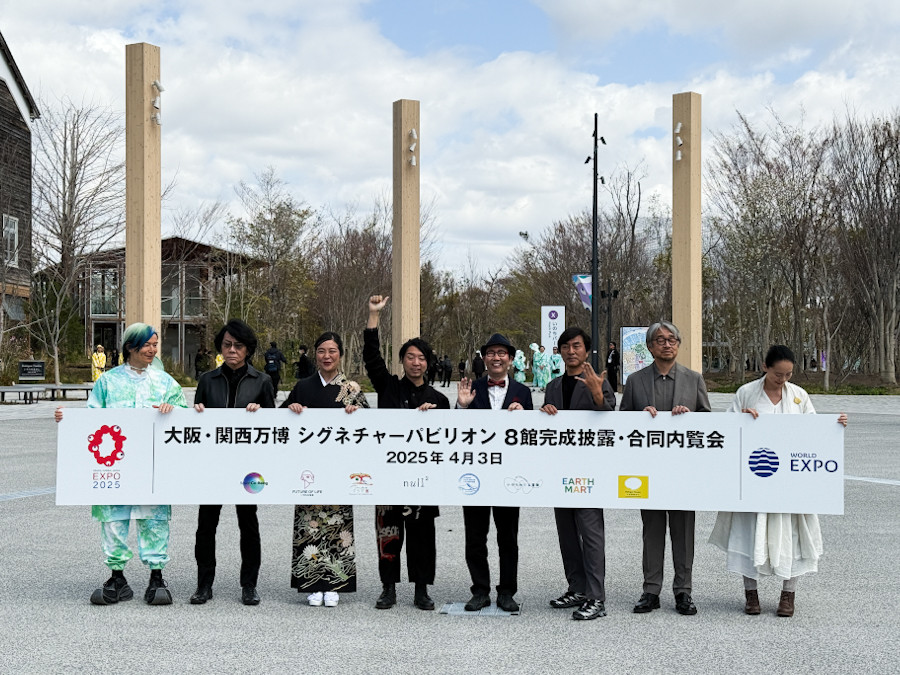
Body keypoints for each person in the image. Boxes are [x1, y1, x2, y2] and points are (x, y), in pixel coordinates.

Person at [709, 345, 848, 617]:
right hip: (755, 478)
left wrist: (836, 424)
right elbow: (726, 432)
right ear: (765, 367)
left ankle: (788, 594)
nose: (783, 380)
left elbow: (814, 430)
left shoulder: (799, 395)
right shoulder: (747, 393)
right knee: (750, 532)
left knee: (793, 535)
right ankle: (751, 595)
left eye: (788, 375)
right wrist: (741, 420)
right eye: (778, 374)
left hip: (789, 482)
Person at [55, 323, 187, 606]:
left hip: (152, 468)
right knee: (113, 520)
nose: (152, 350)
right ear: (131, 347)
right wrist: (68, 421)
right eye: (147, 345)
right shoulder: (108, 382)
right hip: (114, 468)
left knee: (154, 521)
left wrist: (173, 411)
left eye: (155, 344)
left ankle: (156, 576)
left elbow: (185, 421)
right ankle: (117, 576)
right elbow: (92, 418)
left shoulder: (165, 383)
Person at [363, 295, 449, 611]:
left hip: (423, 480)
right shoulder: (389, 388)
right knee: (388, 534)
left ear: (428, 362)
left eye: (421, 358)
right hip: (388, 478)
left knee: (422, 537)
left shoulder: (439, 398)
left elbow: (447, 441)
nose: (416, 362)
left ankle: (422, 590)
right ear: (403, 361)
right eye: (410, 357)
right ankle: (388, 588)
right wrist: (374, 316)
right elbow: (372, 357)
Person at [619, 321, 711, 616]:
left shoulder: (694, 379)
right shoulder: (635, 381)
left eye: (672, 339)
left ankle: (683, 591)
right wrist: (639, 418)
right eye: (660, 340)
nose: (667, 344)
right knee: (652, 531)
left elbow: (709, 427)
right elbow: (622, 426)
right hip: (647, 471)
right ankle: (651, 590)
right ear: (649, 346)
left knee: (684, 532)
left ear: (679, 344)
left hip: (684, 472)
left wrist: (690, 420)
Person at [190, 320, 276, 607]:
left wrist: (260, 412)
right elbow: (195, 424)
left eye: (238, 346)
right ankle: (204, 584)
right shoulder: (207, 380)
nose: (232, 350)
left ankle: (249, 585)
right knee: (206, 526)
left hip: (247, 467)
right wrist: (197, 411)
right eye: (227, 345)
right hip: (212, 466)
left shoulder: (262, 381)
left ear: (248, 349)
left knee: (248, 525)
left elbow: (273, 427)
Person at [282, 331, 369, 607]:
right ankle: (311, 581)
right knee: (309, 525)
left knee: (337, 525)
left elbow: (370, 428)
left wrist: (358, 414)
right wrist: (291, 407)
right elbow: (281, 421)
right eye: (321, 351)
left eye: (332, 351)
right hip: (308, 467)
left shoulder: (352, 389)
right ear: (315, 354)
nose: (327, 356)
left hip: (339, 467)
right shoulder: (303, 386)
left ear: (340, 354)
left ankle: (334, 583)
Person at [540, 327, 616, 620]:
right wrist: (545, 410)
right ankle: (577, 588)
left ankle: (597, 598)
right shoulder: (553, 385)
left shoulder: (599, 381)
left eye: (577, 346)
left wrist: (598, 394)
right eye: (566, 347)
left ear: (586, 350)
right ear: (559, 352)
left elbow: (613, 420)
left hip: (590, 472)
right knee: (567, 533)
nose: (571, 351)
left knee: (591, 533)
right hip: (560, 471)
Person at [457, 333, 533, 612]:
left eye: (502, 353)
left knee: (507, 537)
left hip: (509, 477)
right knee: (475, 536)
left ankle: (507, 591)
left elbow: (530, 437)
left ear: (511, 359)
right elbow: (455, 433)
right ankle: (480, 590)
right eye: (491, 353)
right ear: (484, 358)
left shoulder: (523, 391)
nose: (496, 357)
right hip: (475, 475)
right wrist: (461, 407)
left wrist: (523, 415)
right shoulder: (471, 387)